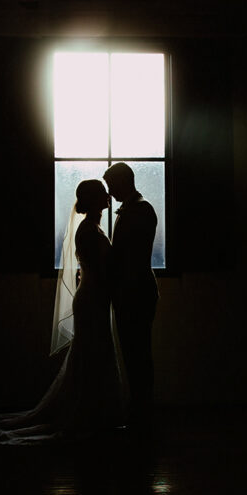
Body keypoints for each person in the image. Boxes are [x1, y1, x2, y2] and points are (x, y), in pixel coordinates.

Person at [0, 180, 123, 445]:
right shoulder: (88, 230)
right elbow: (102, 271)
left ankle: (94, 412)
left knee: (92, 355)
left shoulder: (90, 228)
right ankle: (88, 413)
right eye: (103, 193)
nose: (108, 196)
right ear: (96, 199)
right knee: (92, 354)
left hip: (94, 299)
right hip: (92, 300)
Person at [103, 162, 158, 434]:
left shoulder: (139, 211)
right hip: (132, 290)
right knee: (135, 353)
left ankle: (141, 414)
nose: (109, 193)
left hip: (135, 291)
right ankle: (139, 411)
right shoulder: (137, 209)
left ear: (124, 182)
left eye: (111, 186)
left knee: (137, 353)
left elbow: (126, 256)